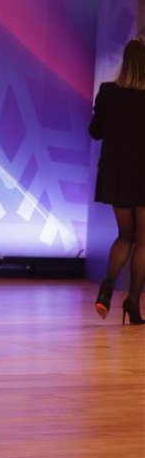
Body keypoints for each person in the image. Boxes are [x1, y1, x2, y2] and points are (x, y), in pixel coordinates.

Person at [91, 36, 145, 325]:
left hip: (118, 175)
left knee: (125, 236)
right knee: (144, 241)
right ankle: (133, 302)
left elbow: (95, 132)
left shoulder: (107, 92)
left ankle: (107, 288)